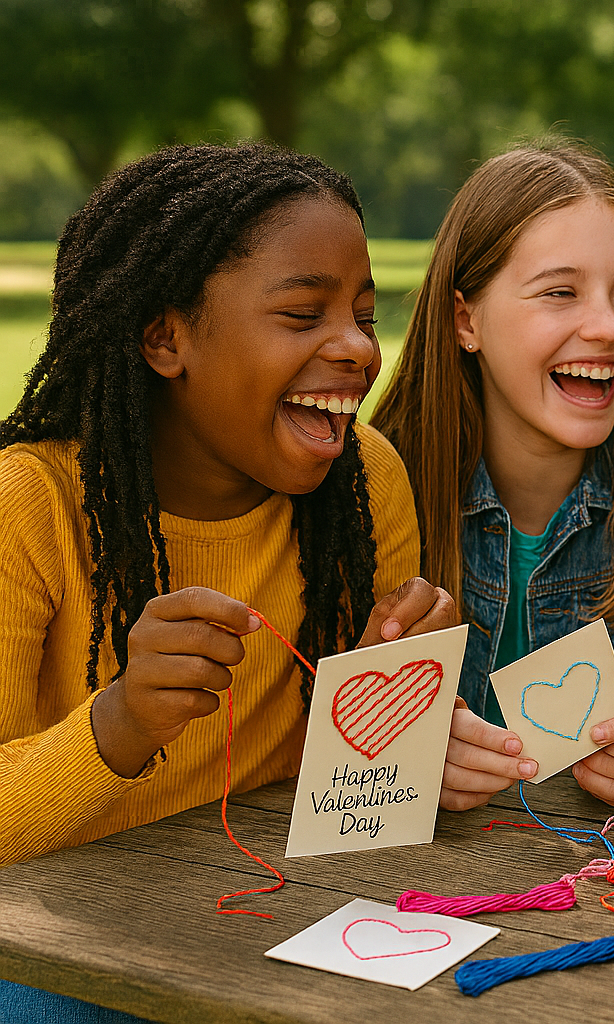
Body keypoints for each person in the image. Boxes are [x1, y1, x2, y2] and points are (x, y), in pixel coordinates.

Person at [0, 143, 456, 1019]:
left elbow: (357, 810)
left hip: (266, 914)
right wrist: (121, 720)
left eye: (364, 314)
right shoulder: (32, 506)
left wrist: (390, 706)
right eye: (303, 314)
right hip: (55, 943)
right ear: (166, 338)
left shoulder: (366, 481)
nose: (358, 348)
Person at [372, 142, 614, 810]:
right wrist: (397, 751)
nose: (608, 326)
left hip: (608, 878)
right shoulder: (379, 477)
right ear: (466, 320)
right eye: (560, 292)